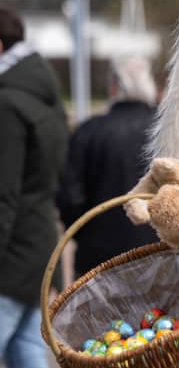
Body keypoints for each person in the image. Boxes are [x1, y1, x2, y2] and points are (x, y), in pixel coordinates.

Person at [0, 7, 68, 368]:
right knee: (28, 359)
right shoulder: (45, 97)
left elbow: (3, 195)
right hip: (40, 247)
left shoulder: (7, 104)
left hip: (10, 259)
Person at [56, 56, 160, 277]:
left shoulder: (89, 132)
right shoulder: (165, 132)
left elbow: (69, 197)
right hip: (160, 256)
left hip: (98, 260)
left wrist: (84, 235)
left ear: (114, 86)